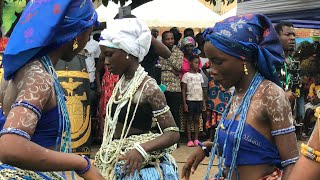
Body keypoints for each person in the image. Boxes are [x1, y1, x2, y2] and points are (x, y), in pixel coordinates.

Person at [181, 14, 299, 180]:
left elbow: (291, 162)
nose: (211, 69)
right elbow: (245, 147)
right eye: (210, 62)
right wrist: (208, 148)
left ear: (243, 58)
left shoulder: (270, 95)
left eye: (218, 61)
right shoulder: (236, 94)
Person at [0, 0, 104, 179]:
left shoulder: (19, 70)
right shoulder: (39, 77)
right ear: (76, 36)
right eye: (89, 33)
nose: (87, 40)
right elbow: (10, 146)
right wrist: (81, 163)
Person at [94, 17, 180, 179]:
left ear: (127, 52)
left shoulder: (149, 88)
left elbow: (173, 133)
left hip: (137, 170)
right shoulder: (122, 82)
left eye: (109, 55)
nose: (106, 61)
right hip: (119, 162)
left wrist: (141, 149)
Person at [275, 21, 305, 139]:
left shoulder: (293, 62)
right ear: (277, 37)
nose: (292, 38)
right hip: (270, 118)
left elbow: (296, 86)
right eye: (287, 35)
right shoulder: (271, 60)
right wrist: (281, 95)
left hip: (288, 117)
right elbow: (260, 86)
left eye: (293, 35)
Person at [160, 31, 184, 130]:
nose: (170, 41)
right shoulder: (158, 51)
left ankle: (175, 140)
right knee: (162, 115)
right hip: (161, 88)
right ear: (163, 40)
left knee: (174, 114)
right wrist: (170, 69)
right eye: (167, 39)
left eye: (172, 39)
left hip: (174, 88)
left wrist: (167, 54)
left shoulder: (178, 52)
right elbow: (159, 66)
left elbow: (178, 67)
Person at [182, 55, 206, 147]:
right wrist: (184, 103)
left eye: (198, 63)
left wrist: (203, 102)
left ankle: (196, 139)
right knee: (189, 120)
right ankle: (189, 139)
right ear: (190, 63)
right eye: (195, 63)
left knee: (197, 120)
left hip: (199, 100)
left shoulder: (200, 76)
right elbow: (184, 89)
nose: (197, 65)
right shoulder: (186, 75)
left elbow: (201, 89)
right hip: (190, 100)